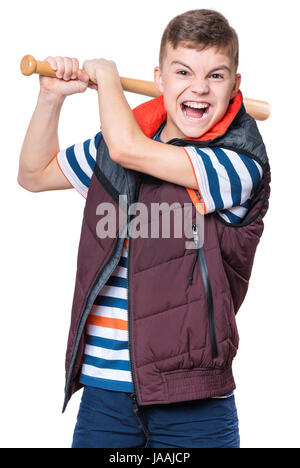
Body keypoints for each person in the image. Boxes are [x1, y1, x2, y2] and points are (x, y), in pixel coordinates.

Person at [18, 9, 271, 448]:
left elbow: (127, 148)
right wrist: (51, 98)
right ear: (159, 78)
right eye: (183, 72)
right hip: (104, 394)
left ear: (235, 85)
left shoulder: (238, 163)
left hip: (191, 398)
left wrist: (106, 79)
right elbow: (34, 174)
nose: (198, 87)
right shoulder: (124, 139)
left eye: (216, 75)